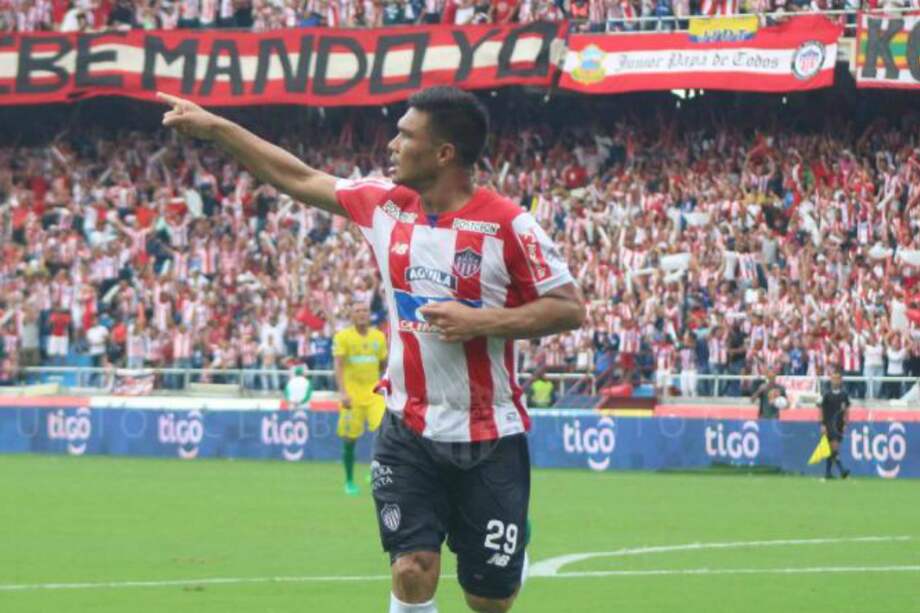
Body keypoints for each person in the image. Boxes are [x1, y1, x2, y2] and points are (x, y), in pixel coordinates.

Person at [157, 85, 585, 613]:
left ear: (444, 153)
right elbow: (298, 177)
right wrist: (217, 128)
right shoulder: (385, 205)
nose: (392, 144)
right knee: (411, 570)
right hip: (408, 425)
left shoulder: (507, 224)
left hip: (490, 433)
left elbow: (569, 308)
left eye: (406, 136)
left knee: (487, 599)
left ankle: (507, 554)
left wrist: (482, 321)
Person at [334, 301, 387, 496]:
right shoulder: (343, 337)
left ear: (370, 314)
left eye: (365, 310)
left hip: (374, 394)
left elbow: (383, 364)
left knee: (385, 430)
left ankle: (375, 469)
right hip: (352, 396)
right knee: (349, 439)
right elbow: (339, 365)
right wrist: (343, 392)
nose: (362, 314)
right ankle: (349, 481)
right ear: (352, 316)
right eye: (357, 311)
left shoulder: (379, 337)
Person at [819, 371, 851, 480]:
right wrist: (822, 424)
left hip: (839, 424)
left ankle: (828, 473)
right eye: (834, 378)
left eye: (838, 378)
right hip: (829, 424)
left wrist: (846, 422)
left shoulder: (844, 394)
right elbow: (821, 409)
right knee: (834, 447)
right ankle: (842, 470)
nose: (835, 381)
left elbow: (846, 409)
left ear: (841, 380)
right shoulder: (826, 394)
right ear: (831, 380)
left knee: (831, 449)